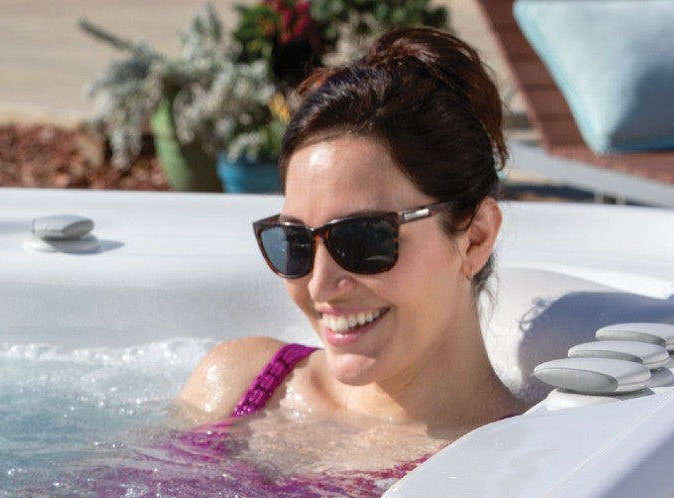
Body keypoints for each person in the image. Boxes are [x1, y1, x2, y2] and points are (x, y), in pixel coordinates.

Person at [177, 26, 523, 469]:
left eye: (361, 238)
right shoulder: (235, 384)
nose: (320, 285)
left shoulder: (507, 468)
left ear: (475, 237)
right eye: (295, 242)